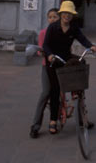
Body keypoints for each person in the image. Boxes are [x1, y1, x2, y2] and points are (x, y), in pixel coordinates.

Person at [42, 0, 96, 135]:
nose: (67, 16)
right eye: (65, 13)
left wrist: (90, 46)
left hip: (66, 56)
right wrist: (49, 55)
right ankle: (53, 120)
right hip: (54, 59)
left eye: (70, 13)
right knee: (54, 90)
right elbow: (46, 45)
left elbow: (82, 38)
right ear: (61, 14)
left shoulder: (73, 27)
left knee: (81, 62)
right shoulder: (53, 27)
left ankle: (82, 116)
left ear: (72, 15)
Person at [29, 8, 59, 138]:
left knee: (62, 92)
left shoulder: (62, 33)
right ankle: (35, 125)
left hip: (60, 67)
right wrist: (42, 53)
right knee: (46, 93)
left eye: (55, 17)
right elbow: (40, 50)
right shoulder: (43, 33)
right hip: (46, 67)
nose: (52, 19)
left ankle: (81, 120)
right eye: (50, 17)